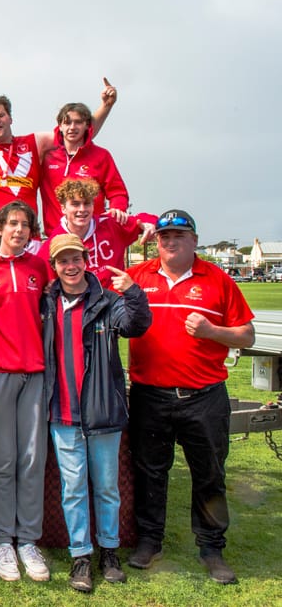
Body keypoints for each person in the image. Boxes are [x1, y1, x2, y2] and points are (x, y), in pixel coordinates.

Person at [126, 210, 255, 585]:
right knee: (149, 471)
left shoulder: (216, 279)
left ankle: (212, 548)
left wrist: (213, 330)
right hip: (150, 394)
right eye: (164, 236)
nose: (170, 242)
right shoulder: (138, 277)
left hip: (204, 396)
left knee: (209, 473)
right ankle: (150, 541)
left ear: (195, 241)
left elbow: (246, 335)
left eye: (179, 236)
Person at [41, 234, 151, 592]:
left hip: (102, 412)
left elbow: (137, 325)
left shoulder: (106, 301)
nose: (70, 267)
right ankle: (80, 556)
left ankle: (109, 552)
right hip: (63, 413)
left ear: (86, 260)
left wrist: (133, 291)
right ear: (55, 266)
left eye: (76, 259)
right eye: (63, 261)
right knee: (73, 489)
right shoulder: (47, 300)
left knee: (106, 488)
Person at [0, 200, 51, 582]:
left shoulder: (39, 268)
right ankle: (2, 540)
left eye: (25, 225)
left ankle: (28, 540)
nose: (18, 230)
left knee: (32, 460)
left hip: (34, 373)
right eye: (12, 223)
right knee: (2, 460)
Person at [0, 80, 117, 217]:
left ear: (10, 118)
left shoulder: (34, 143)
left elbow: (76, 133)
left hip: (27, 233)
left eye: (1, 115)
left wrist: (106, 106)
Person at [40, 179, 156, 290]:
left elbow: (147, 219)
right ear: (63, 208)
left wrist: (150, 224)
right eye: (75, 204)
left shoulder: (111, 224)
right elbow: (38, 276)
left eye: (87, 204)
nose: (82, 209)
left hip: (115, 302)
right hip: (80, 306)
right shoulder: (53, 243)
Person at [39, 102, 130, 234]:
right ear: (60, 126)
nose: (72, 127)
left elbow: (118, 192)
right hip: (57, 236)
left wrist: (118, 209)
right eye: (67, 122)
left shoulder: (101, 155)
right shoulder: (45, 157)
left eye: (78, 122)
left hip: (93, 234)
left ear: (87, 125)